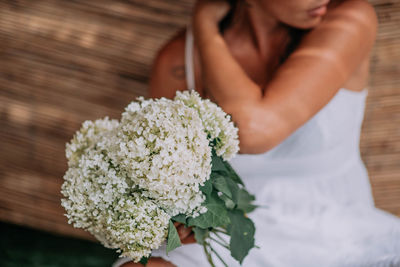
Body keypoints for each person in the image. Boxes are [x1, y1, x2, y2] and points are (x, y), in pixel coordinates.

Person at [113, 0, 400, 266]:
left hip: (338, 229)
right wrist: (176, 218)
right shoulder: (178, 61)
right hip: (227, 233)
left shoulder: (350, 19)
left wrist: (204, 23)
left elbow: (253, 131)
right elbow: (165, 178)